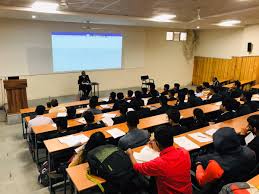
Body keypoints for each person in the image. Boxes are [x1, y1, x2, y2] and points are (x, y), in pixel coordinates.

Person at [126, 125, 192, 194]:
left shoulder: (159, 163)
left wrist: (130, 154)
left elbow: (137, 167)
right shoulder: (184, 152)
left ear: (157, 143)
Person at [195, 127, 256, 193]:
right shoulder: (250, 152)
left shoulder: (215, 165)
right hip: (241, 184)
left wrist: (198, 164)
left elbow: (202, 182)